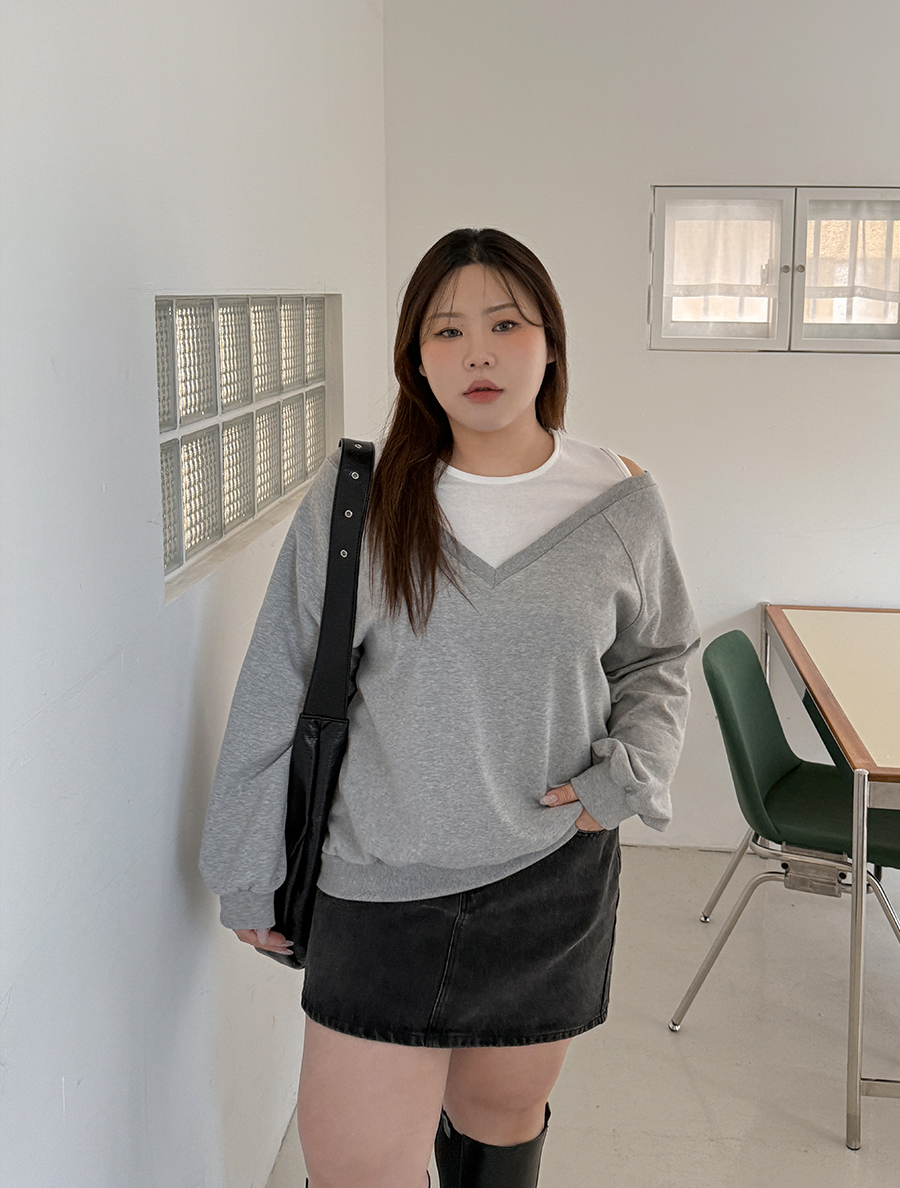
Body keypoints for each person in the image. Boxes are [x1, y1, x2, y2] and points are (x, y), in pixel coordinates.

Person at [200, 228, 699, 1188]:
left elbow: (657, 656)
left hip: (549, 877)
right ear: (416, 357)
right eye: (447, 330)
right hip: (378, 882)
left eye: (506, 325)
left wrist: (625, 779)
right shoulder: (360, 501)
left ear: (549, 344)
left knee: (498, 1123)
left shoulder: (621, 500)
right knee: (355, 1165)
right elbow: (280, 680)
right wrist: (247, 868)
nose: (478, 353)